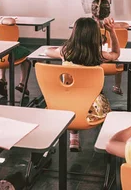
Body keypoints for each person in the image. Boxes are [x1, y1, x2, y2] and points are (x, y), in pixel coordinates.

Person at [46, 17, 120, 152]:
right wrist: (111, 31)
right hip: (93, 107)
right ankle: (104, 140)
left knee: (73, 97)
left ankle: (73, 138)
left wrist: (58, 49)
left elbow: (47, 51)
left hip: (65, 104)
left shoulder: (65, 51)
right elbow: (116, 53)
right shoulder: (99, 55)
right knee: (92, 98)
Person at [91, 0, 129, 95]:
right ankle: (117, 86)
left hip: (91, 64)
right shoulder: (113, 26)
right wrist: (112, 27)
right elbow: (126, 25)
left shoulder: (87, 27)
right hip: (112, 62)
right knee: (119, 60)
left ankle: (98, 87)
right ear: (108, 12)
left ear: (93, 12)